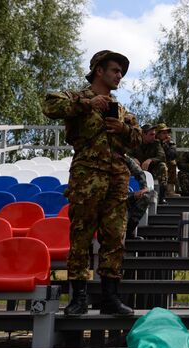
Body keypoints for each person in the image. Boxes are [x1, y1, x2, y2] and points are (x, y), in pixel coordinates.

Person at [42, 50, 141, 316]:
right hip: (87, 176)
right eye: (115, 70)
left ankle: (110, 297)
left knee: (114, 239)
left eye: (121, 72)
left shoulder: (121, 111)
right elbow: (49, 105)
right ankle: (78, 298)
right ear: (99, 71)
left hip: (117, 179)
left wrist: (124, 129)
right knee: (81, 236)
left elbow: (140, 140)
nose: (119, 76)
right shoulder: (78, 98)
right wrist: (88, 104)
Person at [129, 124, 168, 203]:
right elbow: (126, 154)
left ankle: (162, 196)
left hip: (151, 169)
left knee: (163, 166)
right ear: (143, 134)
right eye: (151, 134)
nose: (154, 136)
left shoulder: (156, 143)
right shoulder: (135, 142)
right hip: (136, 170)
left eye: (154, 134)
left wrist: (150, 160)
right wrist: (133, 159)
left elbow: (162, 156)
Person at [124, 154, 156, 240]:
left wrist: (143, 188)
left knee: (145, 196)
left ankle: (128, 231)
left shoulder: (124, 158)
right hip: (104, 197)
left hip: (122, 197)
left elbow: (139, 173)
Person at [155, 123, 180, 197]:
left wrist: (165, 145)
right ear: (158, 134)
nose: (166, 135)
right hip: (155, 163)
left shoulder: (170, 143)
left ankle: (170, 190)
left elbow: (172, 155)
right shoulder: (153, 142)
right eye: (163, 133)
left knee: (172, 163)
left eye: (167, 133)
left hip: (165, 164)